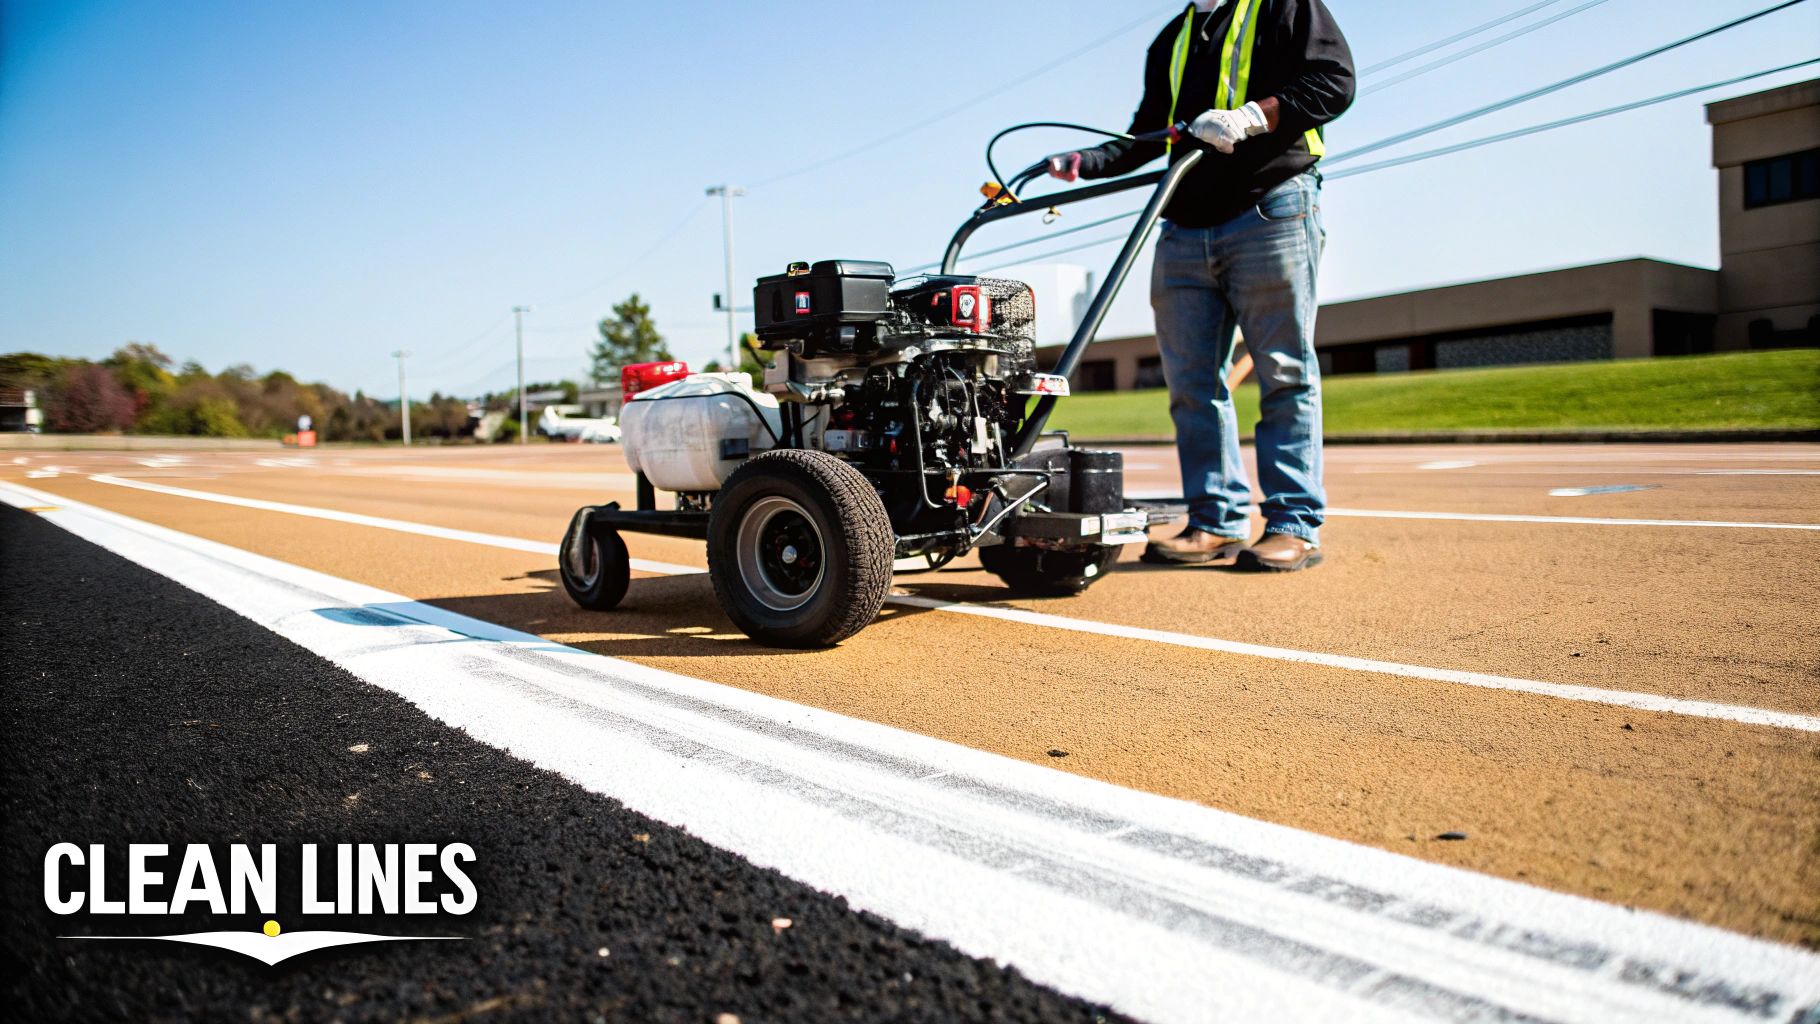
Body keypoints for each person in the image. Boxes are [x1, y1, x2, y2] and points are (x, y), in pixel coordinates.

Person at [1047, 0, 1354, 572]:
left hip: (1272, 205)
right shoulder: (1173, 38)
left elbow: (1334, 82)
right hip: (1184, 223)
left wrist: (1251, 117)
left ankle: (1293, 524)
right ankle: (1216, 521)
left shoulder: (1285, 7)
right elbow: (1147, 134)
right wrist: (1083, 160)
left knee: (1283, 373)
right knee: (1191, 385)